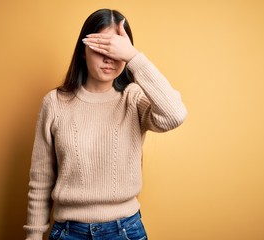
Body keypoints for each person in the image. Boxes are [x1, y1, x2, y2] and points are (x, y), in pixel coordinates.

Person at [24, 8, 187, 240]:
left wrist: (134, 57)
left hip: (125, 231)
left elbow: (175, 114)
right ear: (83, 50)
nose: (109, 58)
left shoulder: (133, 98)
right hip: (68, 232)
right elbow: (40, 180)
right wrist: (33, 236)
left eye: (116, 49)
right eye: (101, 47)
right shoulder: (55, 103)